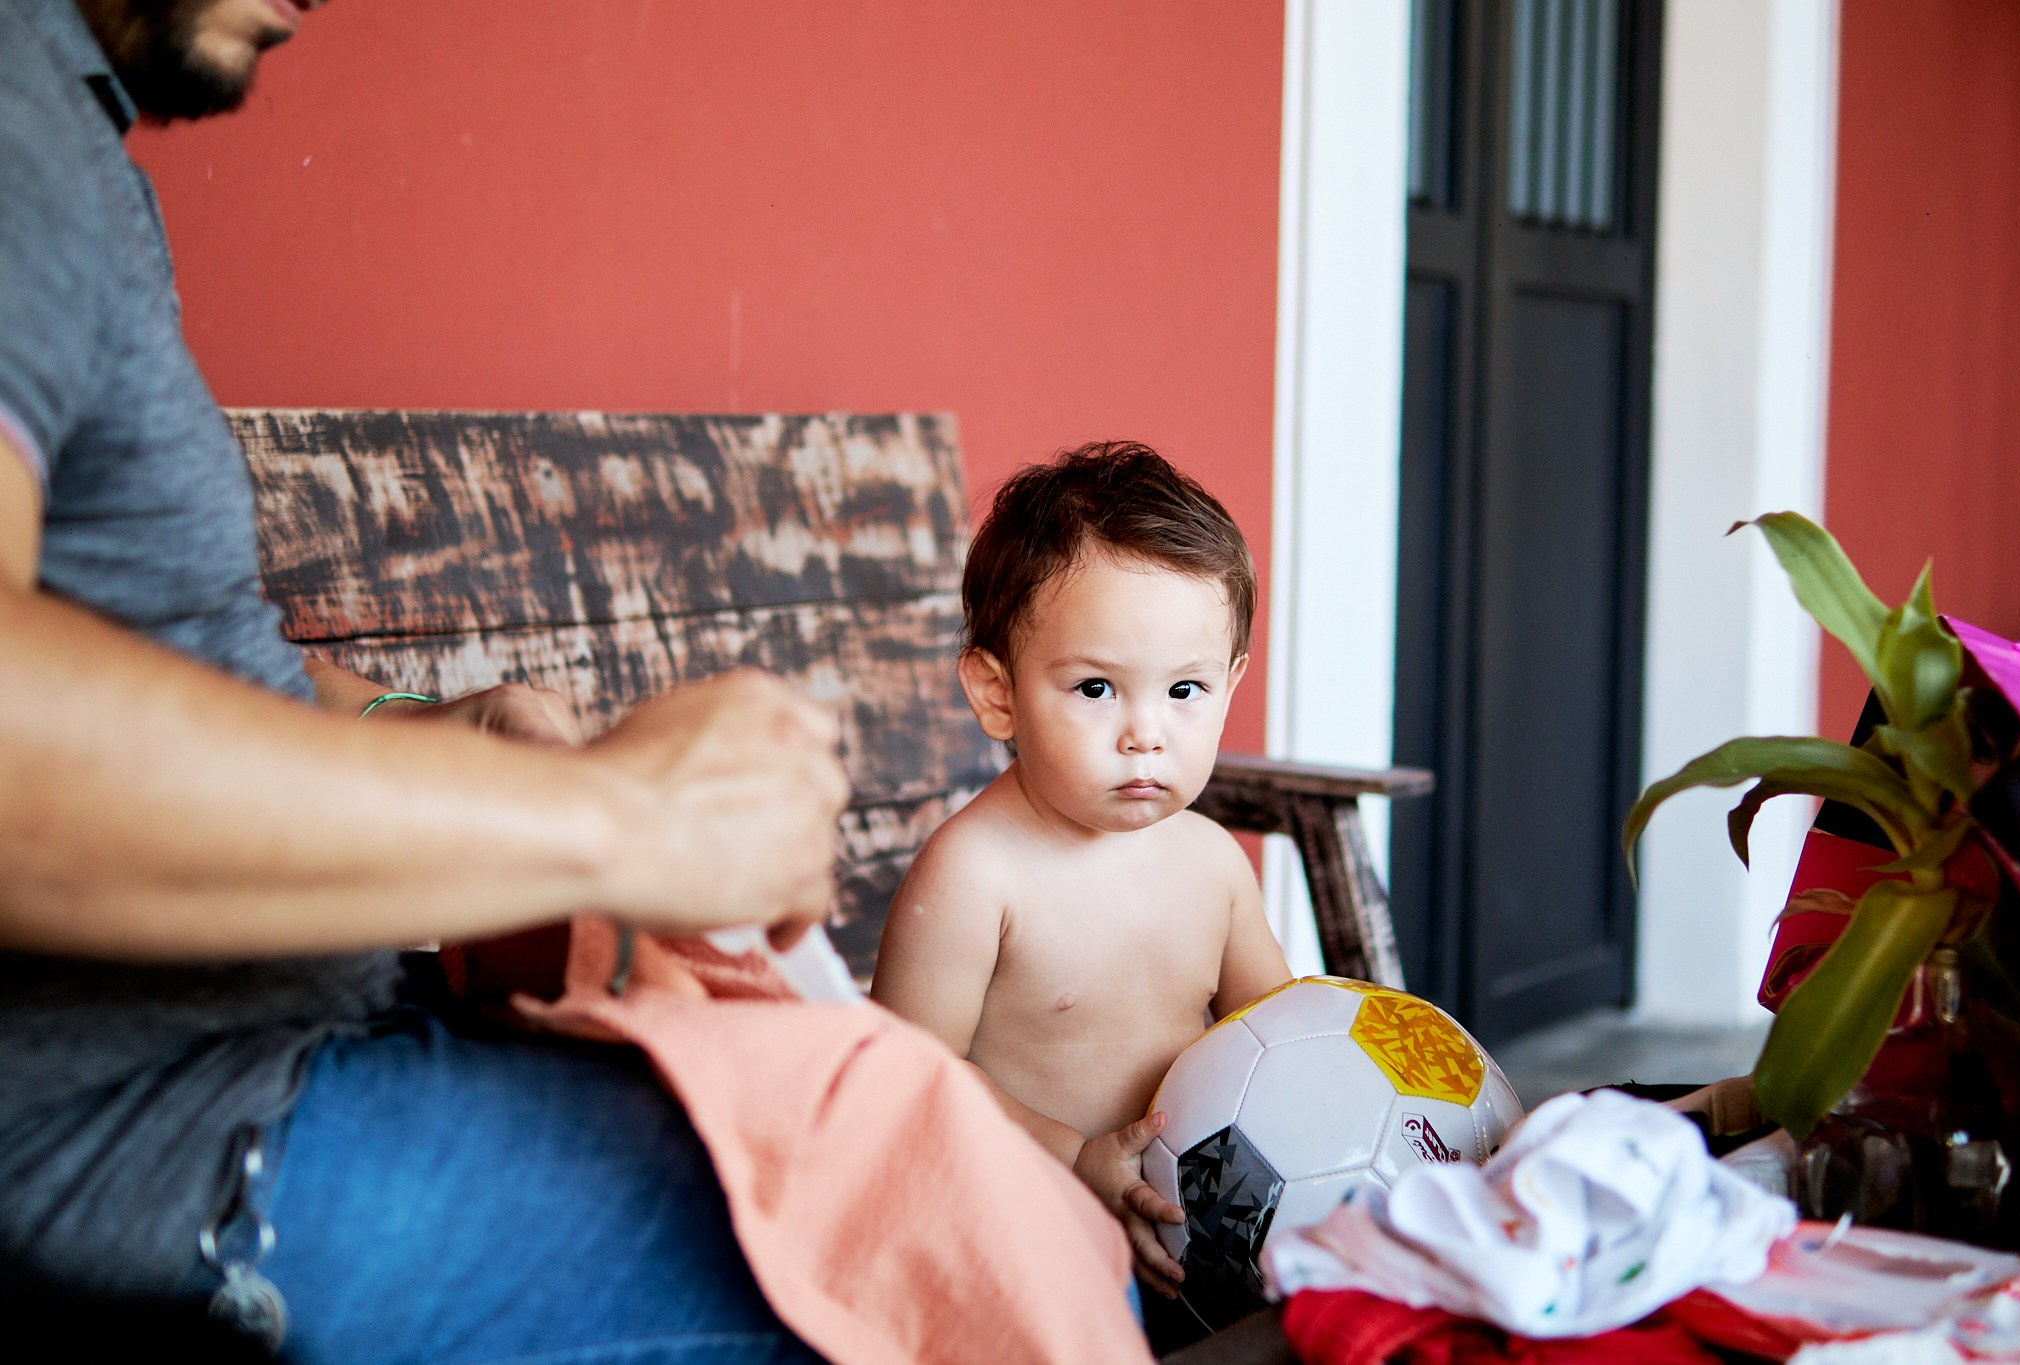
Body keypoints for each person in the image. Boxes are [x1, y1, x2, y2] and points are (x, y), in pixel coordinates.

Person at [0, 0, 846, 1358]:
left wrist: (435, 731)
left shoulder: (67, 136)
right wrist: (628, 818)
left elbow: (152, 660)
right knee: (890, 1255)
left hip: (281, 1058)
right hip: (146, 1152)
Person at [869, 442, 1295, 1307]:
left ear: (1230, 684)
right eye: (1097, 688)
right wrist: (1075, 1158)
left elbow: (1285, 1038)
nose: (1146, 733)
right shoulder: (975, 874)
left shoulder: (1212, 862)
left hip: (1193, 1233)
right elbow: (910, 1078)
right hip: (1019, 1227)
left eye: (1185, 690)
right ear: (998, 693)